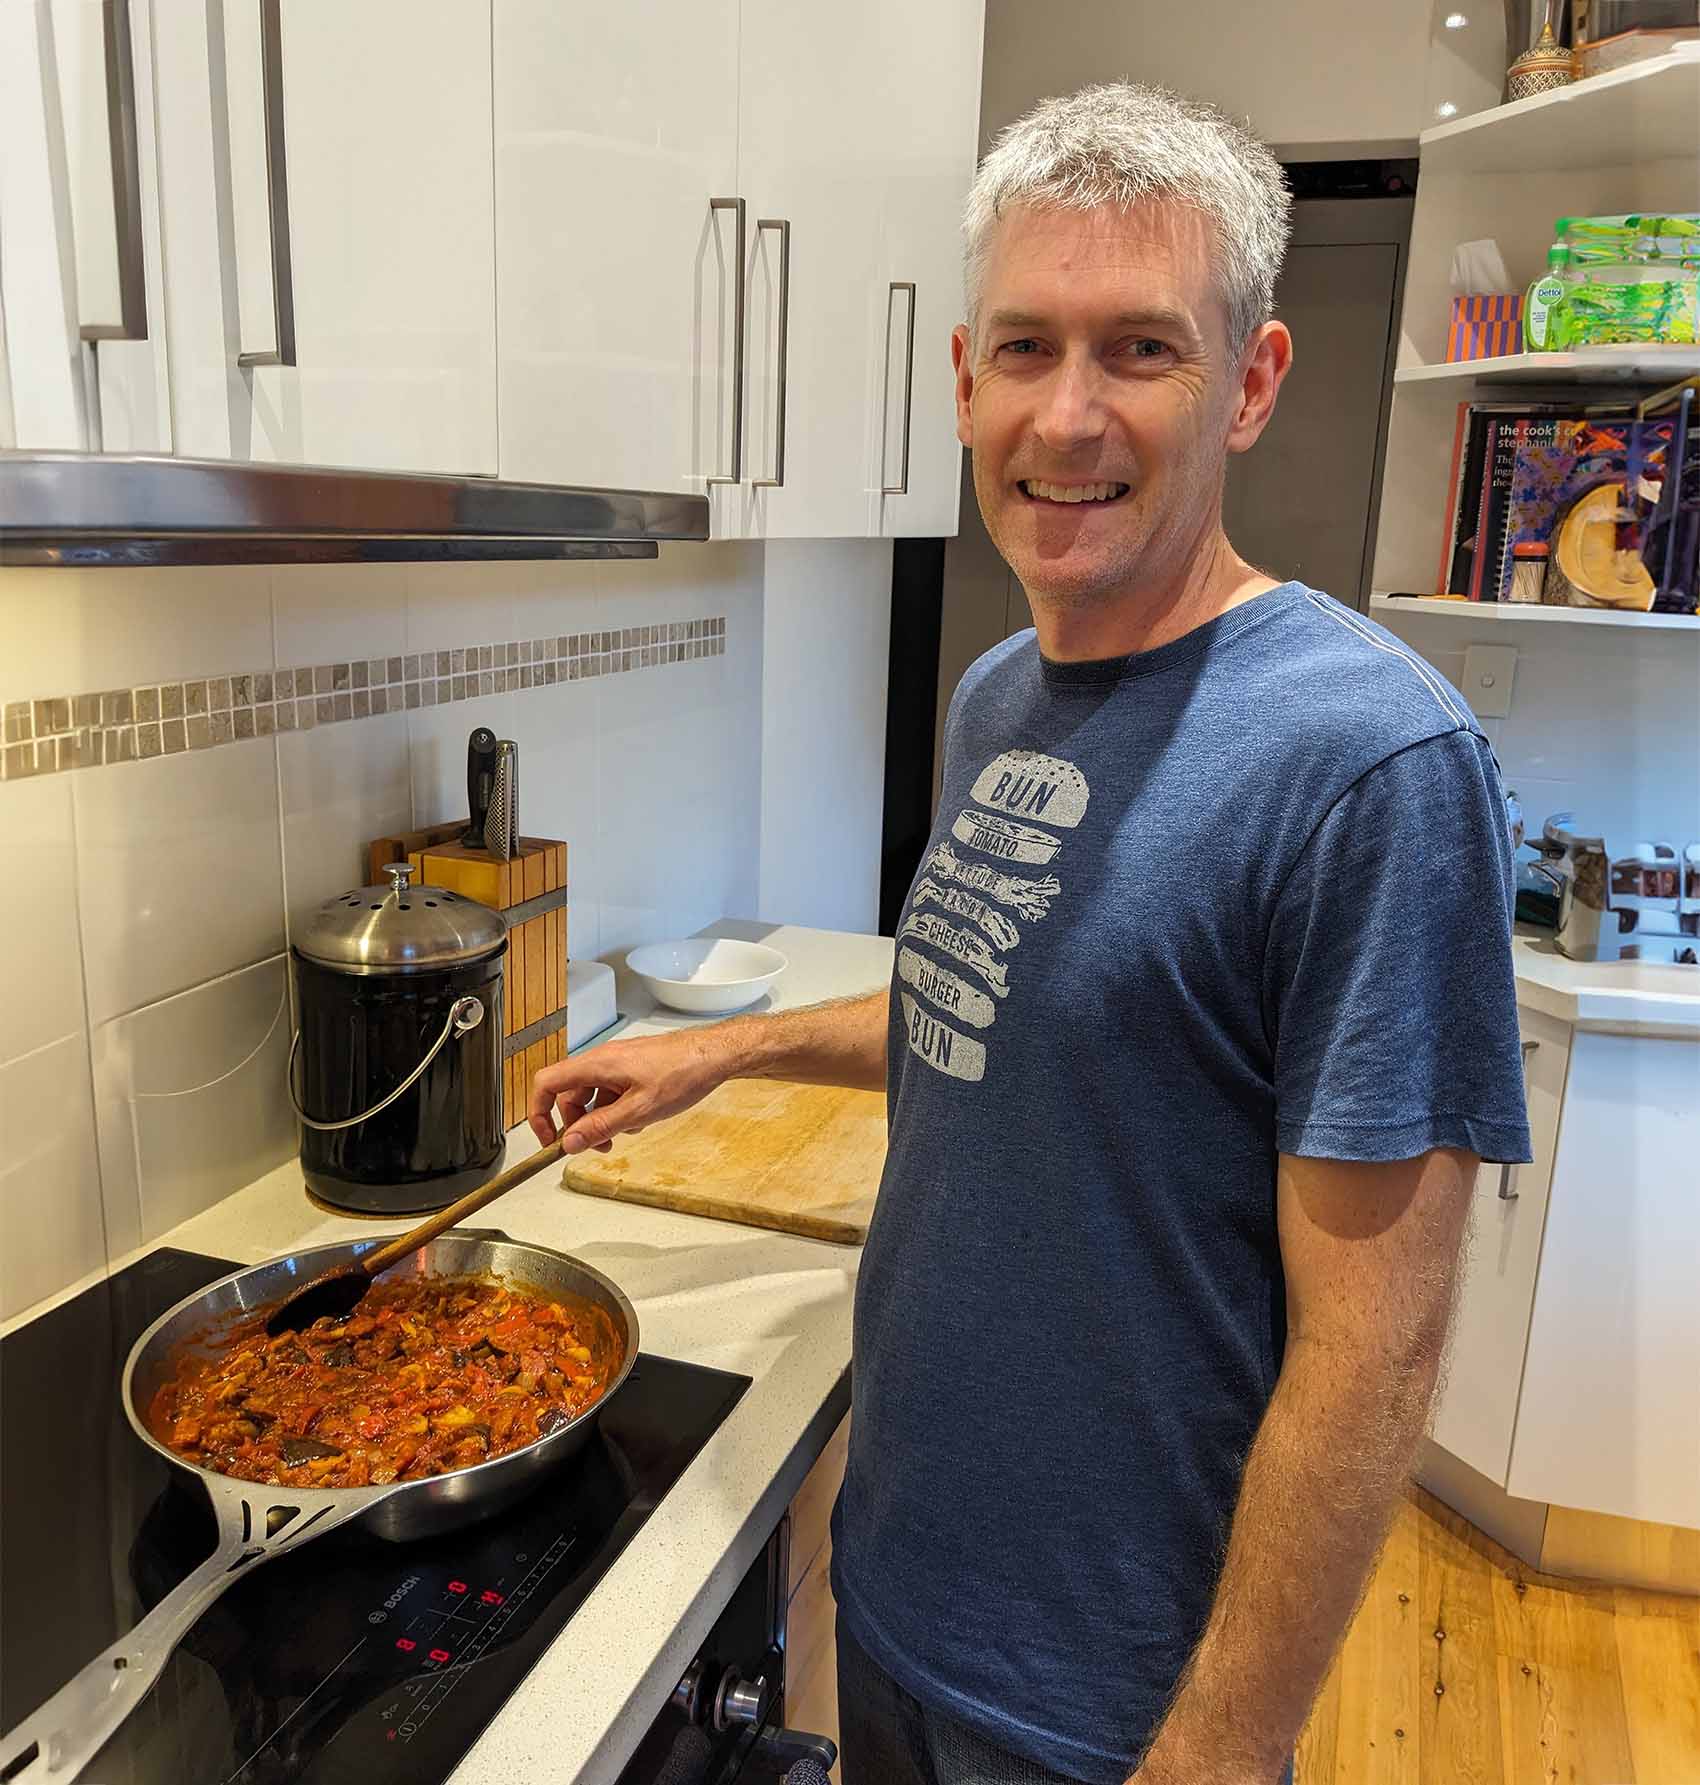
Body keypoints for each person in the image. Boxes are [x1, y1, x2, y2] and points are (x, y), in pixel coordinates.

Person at [531, 81, 1532, 1785]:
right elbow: (996, 1004)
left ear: (1253, 383)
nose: (1067, 416)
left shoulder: (1371, 766)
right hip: (907, 1591)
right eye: (1025, 347)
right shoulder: (1003, 694)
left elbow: (1379, 1353)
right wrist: (731, 1044)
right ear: (964, 381)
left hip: (1112, 1699)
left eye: (1140, 348)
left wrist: (1219, 1747)